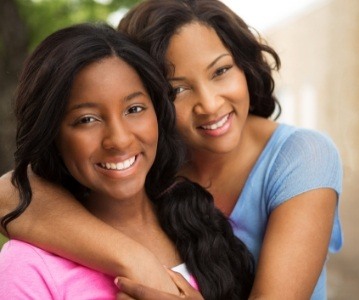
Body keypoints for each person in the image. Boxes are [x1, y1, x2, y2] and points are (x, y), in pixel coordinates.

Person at [0, 0, 343, 299]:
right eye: (178, 90)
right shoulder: (153, 168)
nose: (209, 104)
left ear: (244, 65)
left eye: (221, 71)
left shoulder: (301, 156)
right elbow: (9, 194)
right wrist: (136, 260)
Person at [0, 22, 255, 299]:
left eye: (134, 109)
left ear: (158, 114)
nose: (119, 140)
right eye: (87, 120)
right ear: (52, 134)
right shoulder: (29, 265)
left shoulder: (204, 223)